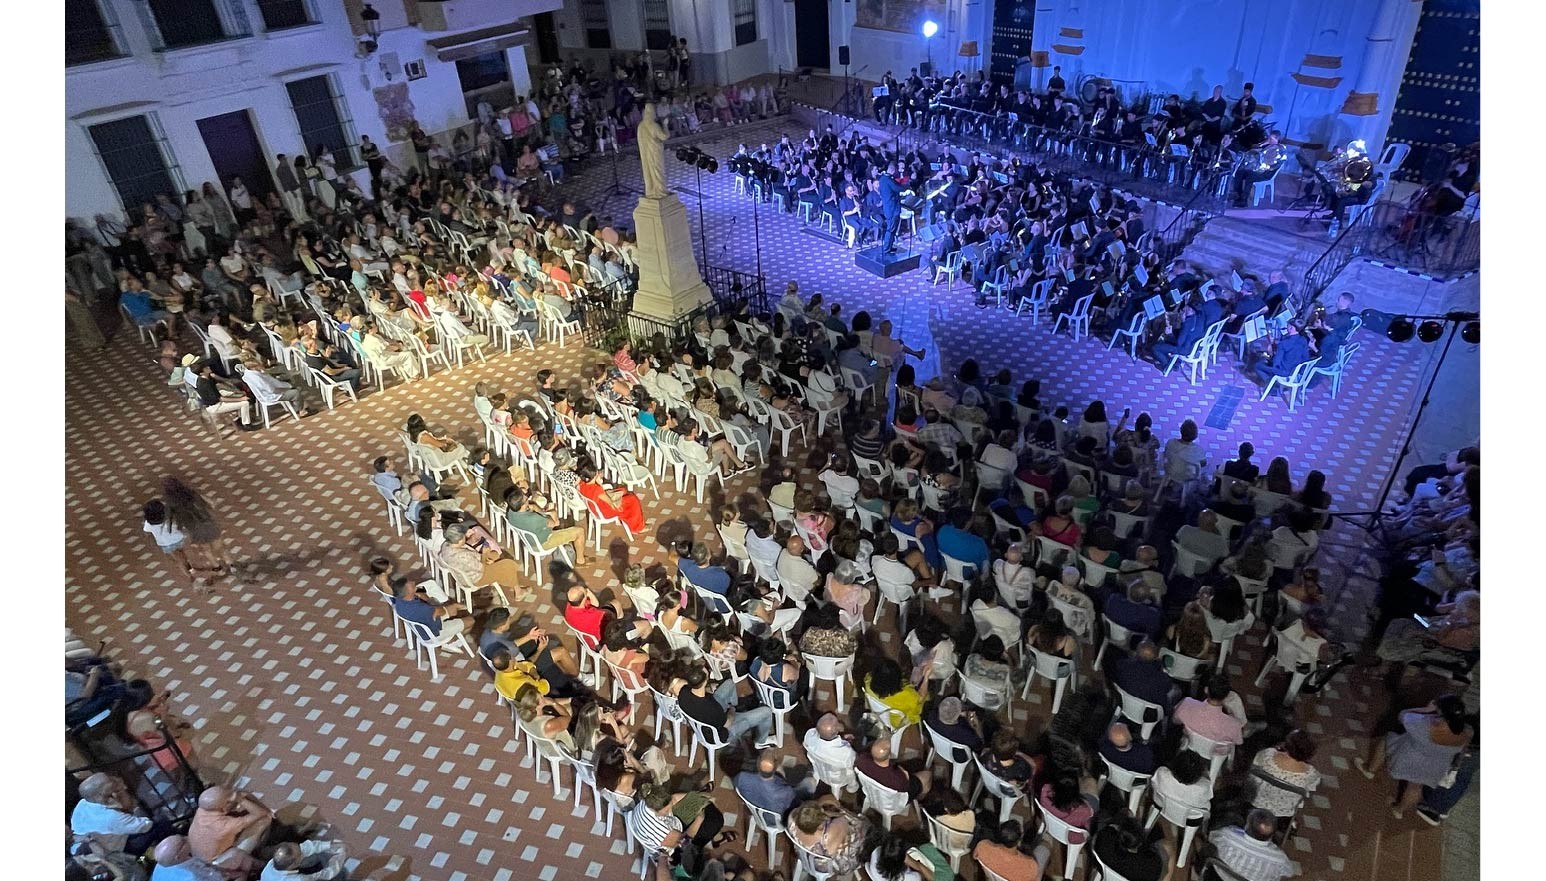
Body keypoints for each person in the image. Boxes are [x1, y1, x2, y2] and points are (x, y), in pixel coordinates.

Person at [1355, 694, 1473, 818]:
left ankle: (1369, 770)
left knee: (1386, 740)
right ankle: (1398, 810)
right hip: (1435, 768)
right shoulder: (1467, 732)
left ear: (1442, 711)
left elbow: (1403, 716)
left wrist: (1427, 710)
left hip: (1409, 758)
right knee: (1416, 787)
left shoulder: (1428, 725)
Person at [187, 785, 276, 877]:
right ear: (223, 808)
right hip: (217, 863)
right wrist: (240, 799)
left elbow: (225, 807)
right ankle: (260, 859)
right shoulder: (223, 826)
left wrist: (235, 797)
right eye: (228, 801)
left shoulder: (202, 810)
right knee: (264, 819)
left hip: (199, 857)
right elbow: (261, 813)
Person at [70, 772, 155, 854]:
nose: (124, 787)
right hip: (114, 851)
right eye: (116, 787)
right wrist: (134, 806)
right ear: (105, 795)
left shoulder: (82, 804)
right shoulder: (111, 817)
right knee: (161, 827)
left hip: (102, 841)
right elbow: (146, 825)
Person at [1248, 729, 1321, 821]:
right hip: (1284, 812)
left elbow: (1254, 767)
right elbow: (1308, 790)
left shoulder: (1267, 755)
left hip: (1255, 800)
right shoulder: (1311, 775)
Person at [1208, 809, 1298, 881]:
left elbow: (1212, 838)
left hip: (1219, 876)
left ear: (1246, 826)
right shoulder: (1279, 858)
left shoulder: (1227, 835)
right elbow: (1288, 873)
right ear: (1273, 834)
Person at [734, 753, 815, 818]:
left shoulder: (742, 777)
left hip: (757, 812)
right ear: (776, 767)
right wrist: (782, 773)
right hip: (776, 819)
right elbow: (793, 803)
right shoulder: (786, 792)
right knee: (809, 782)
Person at [149, 835, 224, 881]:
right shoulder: (193, 876)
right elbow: (219, 878)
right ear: (178, 856)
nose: (186, 838)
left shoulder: (164, 860)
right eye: (183, 842)